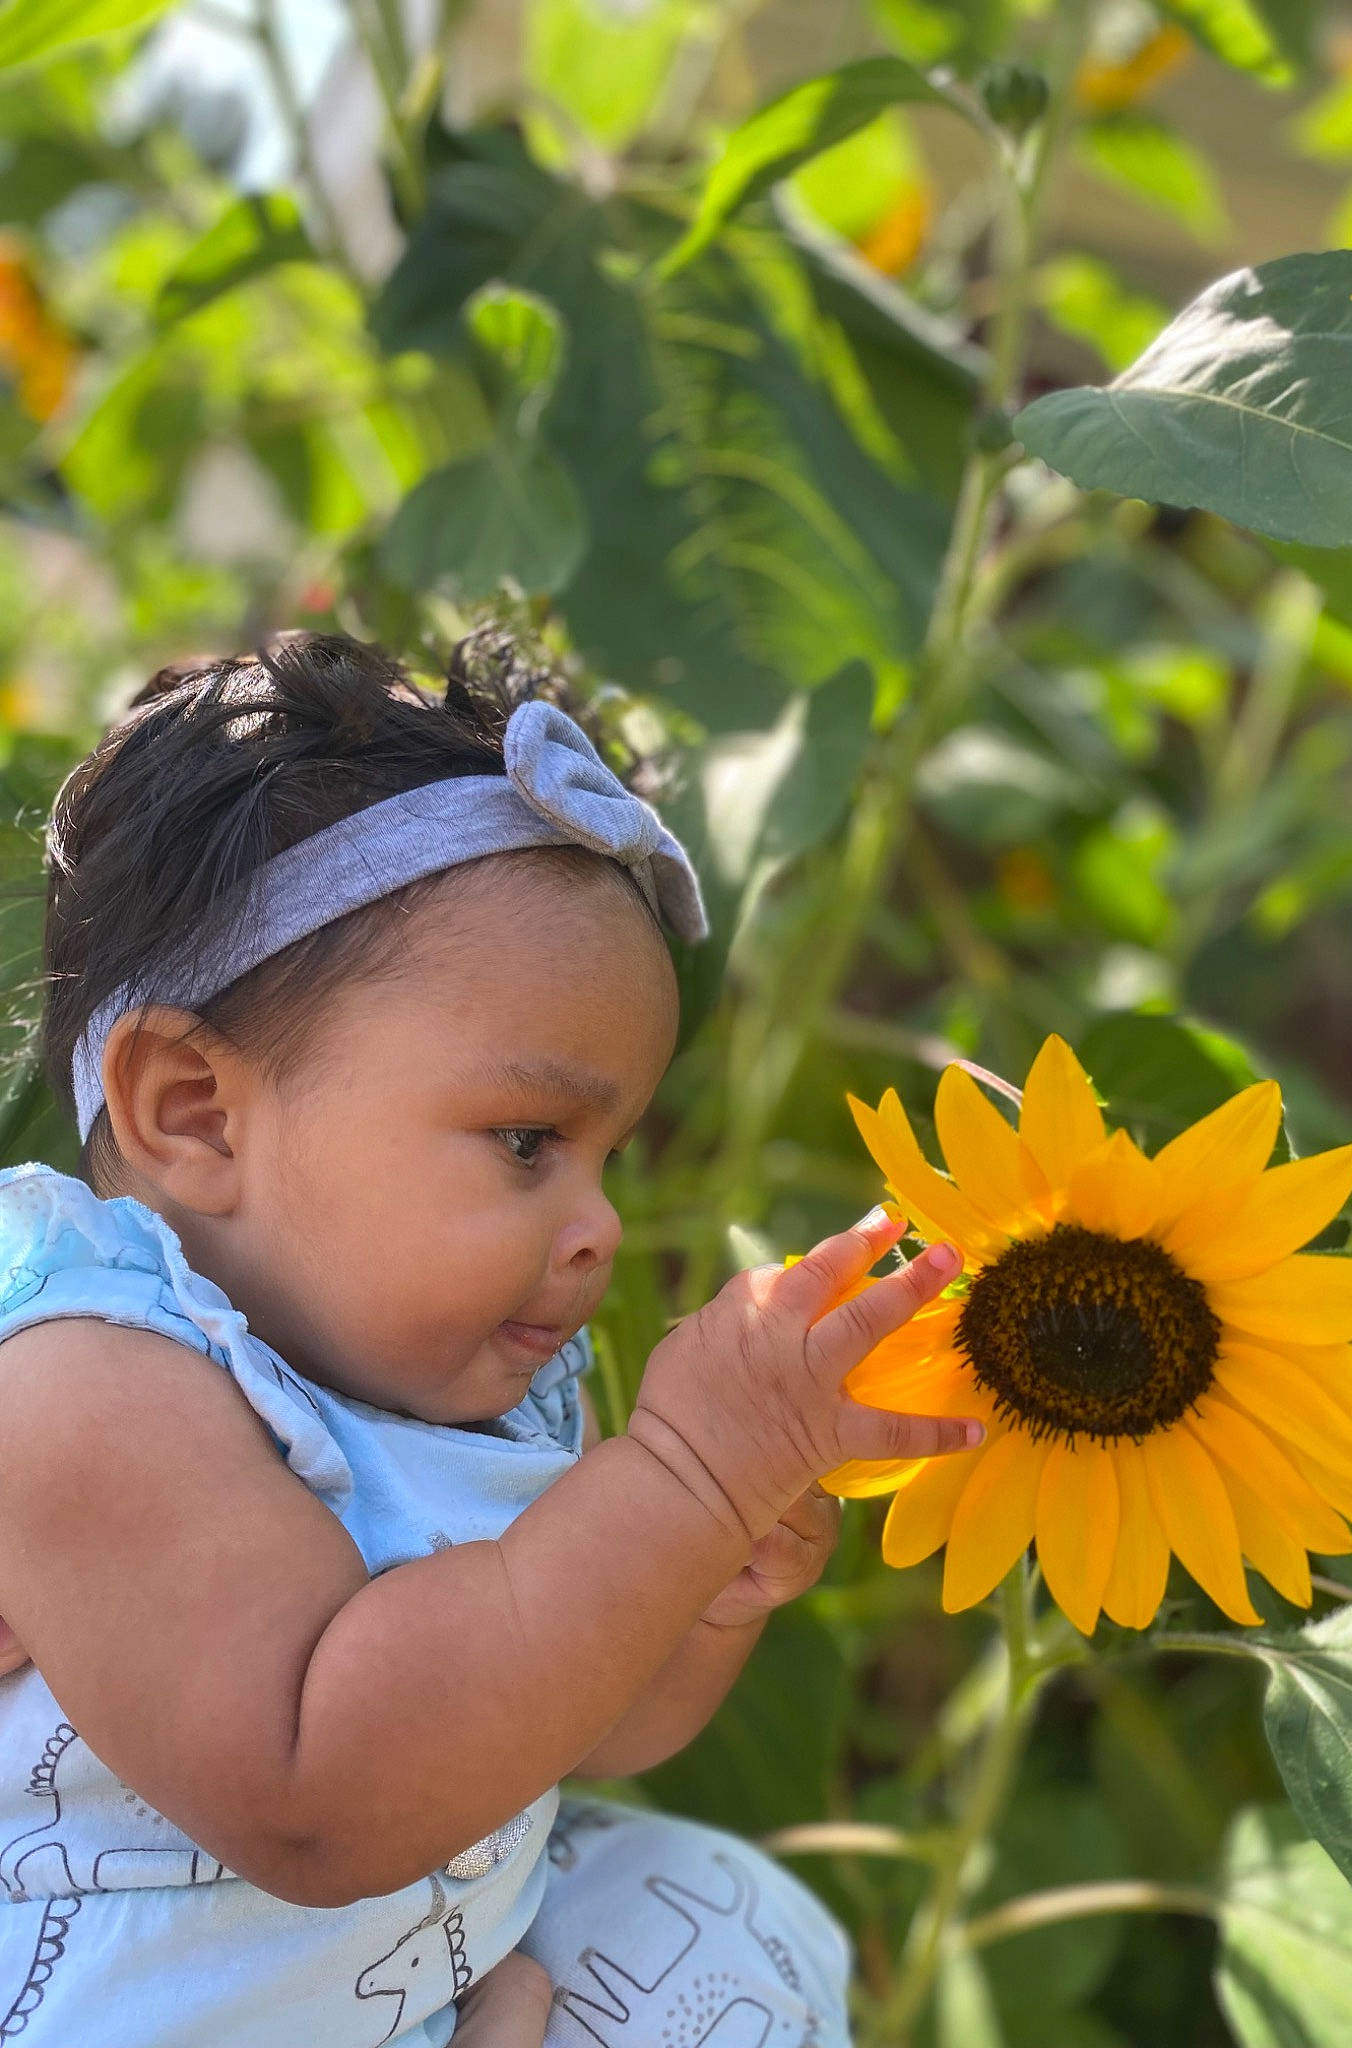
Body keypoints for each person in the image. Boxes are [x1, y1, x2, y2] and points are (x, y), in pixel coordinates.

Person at [0, 633, 979, 2047]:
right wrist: (685, 1485)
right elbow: (318, 1792)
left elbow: (556, 1723)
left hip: (389, 1989)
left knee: (714, 1909)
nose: (597, 1229)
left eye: (609, 1159)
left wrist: (695, 1589)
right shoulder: (85, 1387)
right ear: (196, 1112)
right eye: (528, 1142)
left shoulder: (482, 1390)